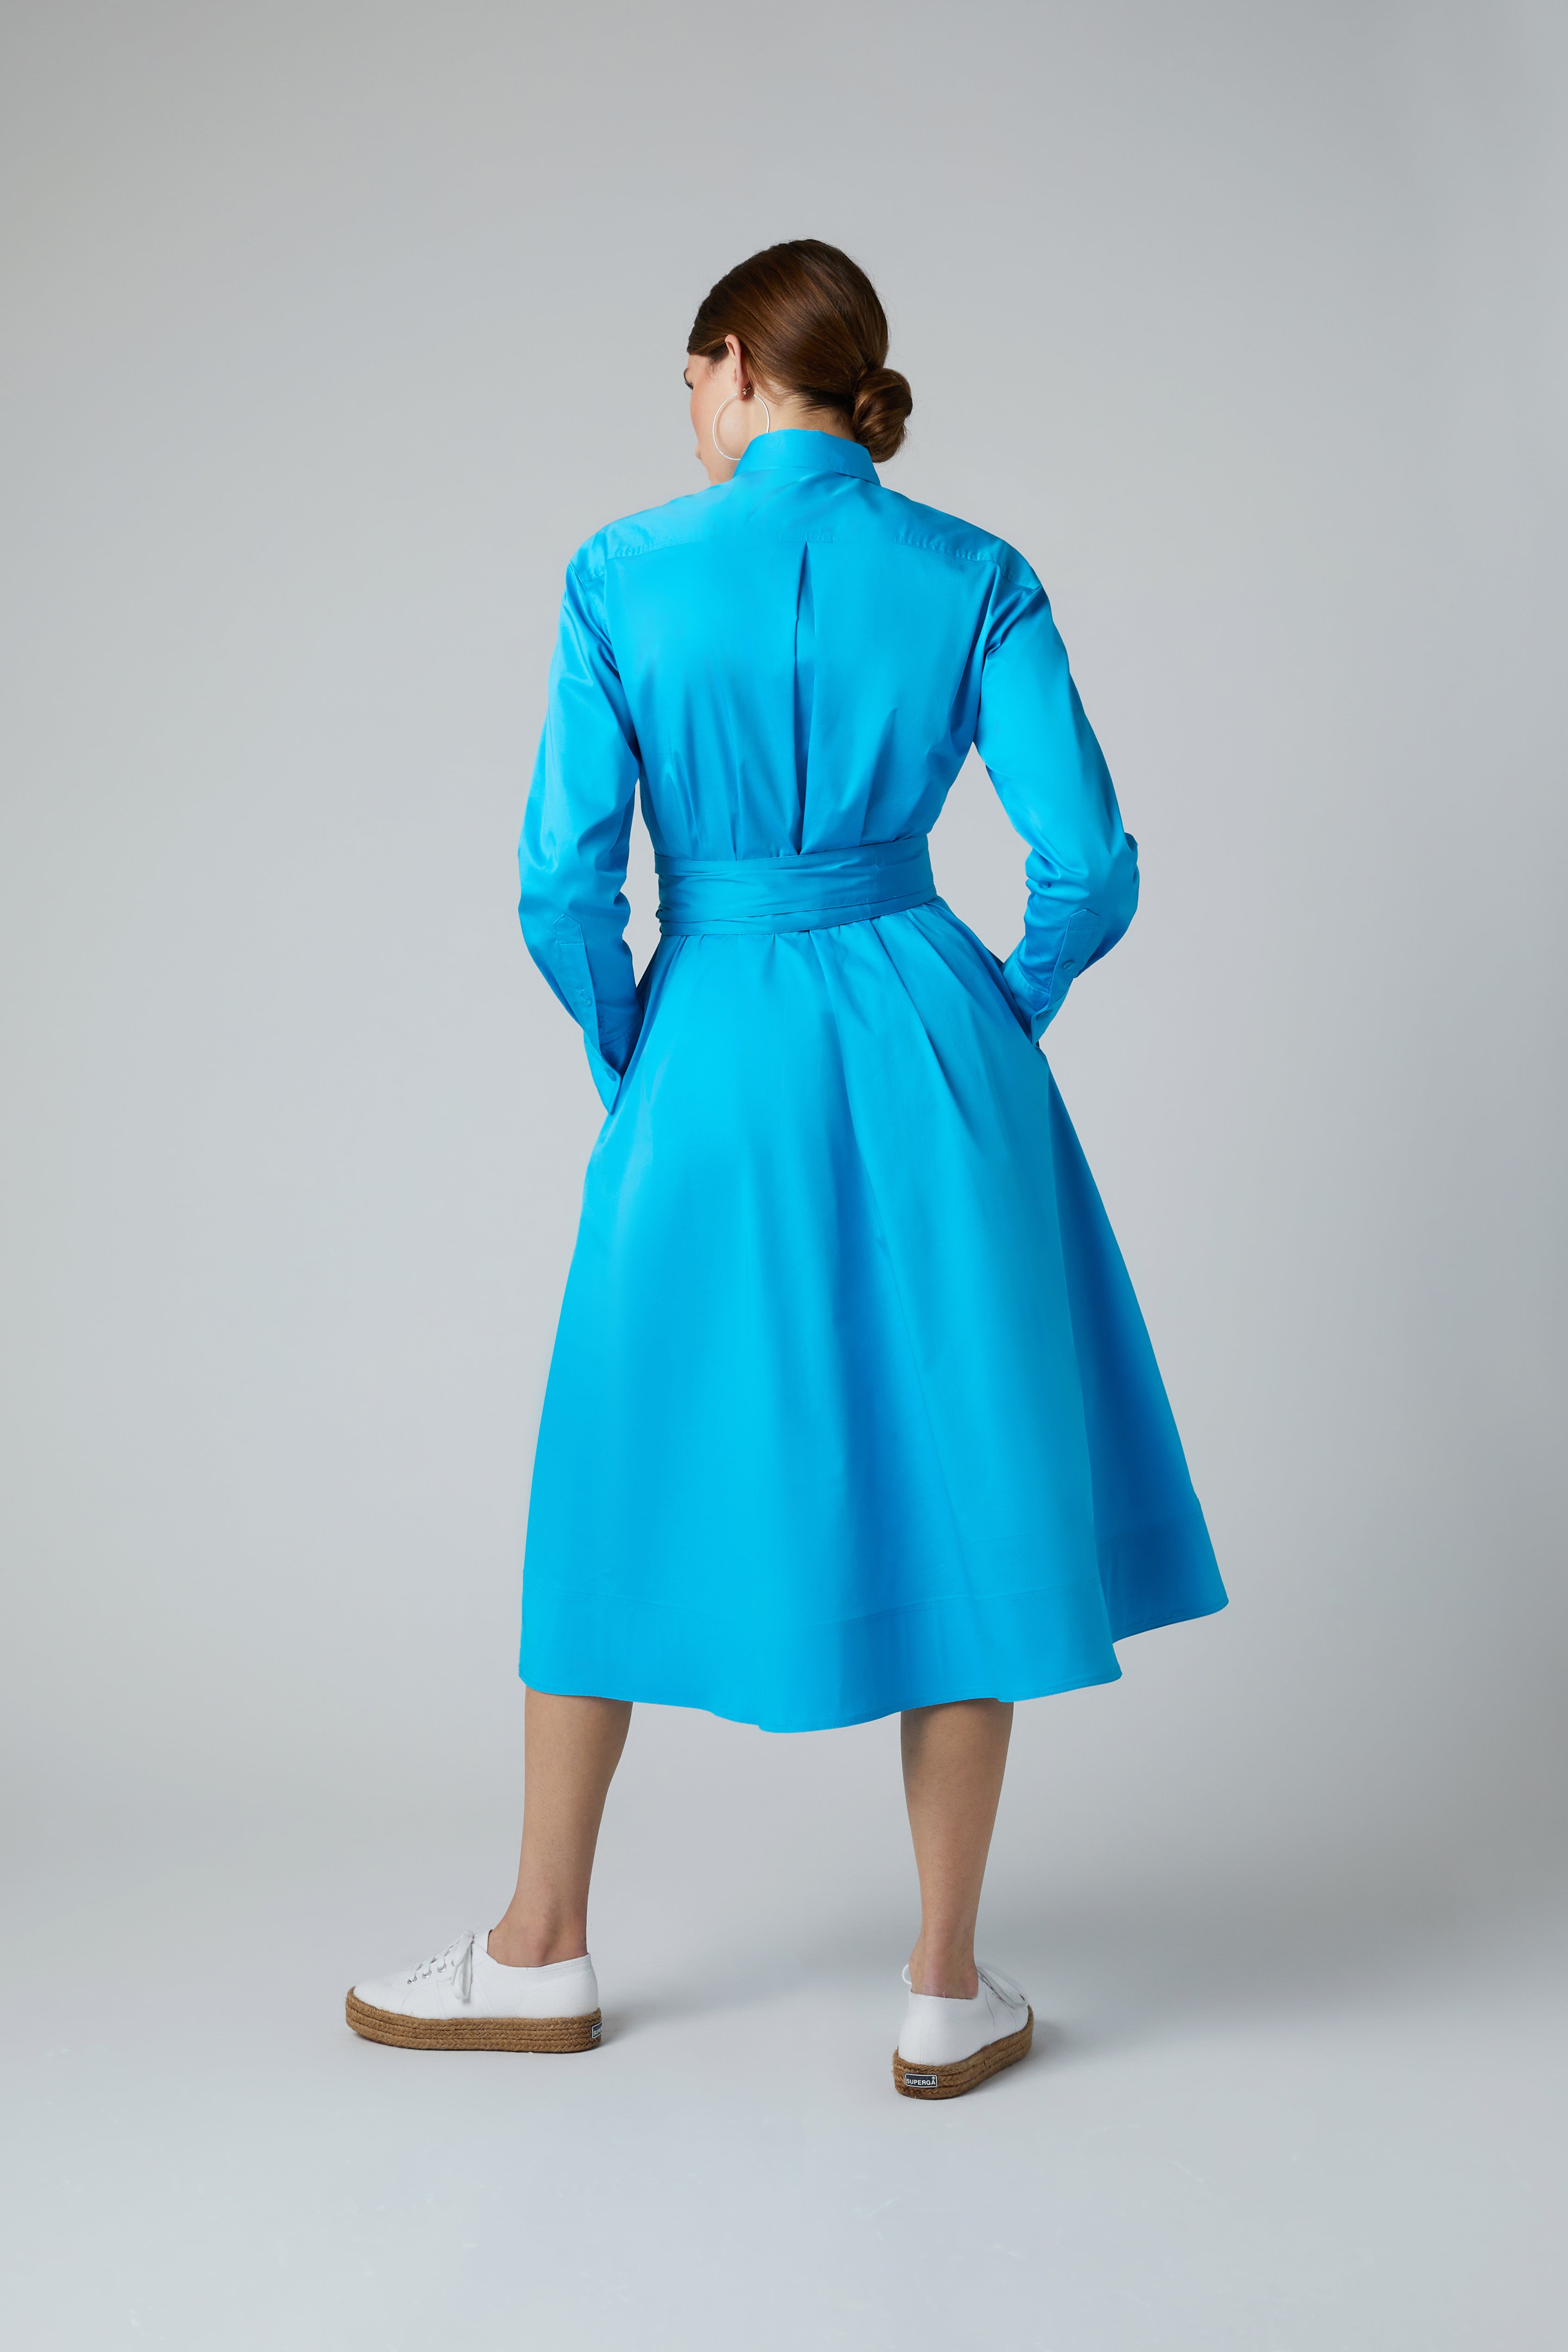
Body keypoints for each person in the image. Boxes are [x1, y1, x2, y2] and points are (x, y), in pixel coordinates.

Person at [347, 240, 1225, 2098]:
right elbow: (1089, 864)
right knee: (965, 1467)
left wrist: (632, 1045)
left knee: (611, 1456)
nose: (687, 412)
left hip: (714, 1035)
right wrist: (997, 1008)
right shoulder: (975, 573)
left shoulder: (622, 571)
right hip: (934, 1034)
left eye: (690, 380)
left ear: (736, 363)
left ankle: (539, 1948)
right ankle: (943, 1985)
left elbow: (561, 883)